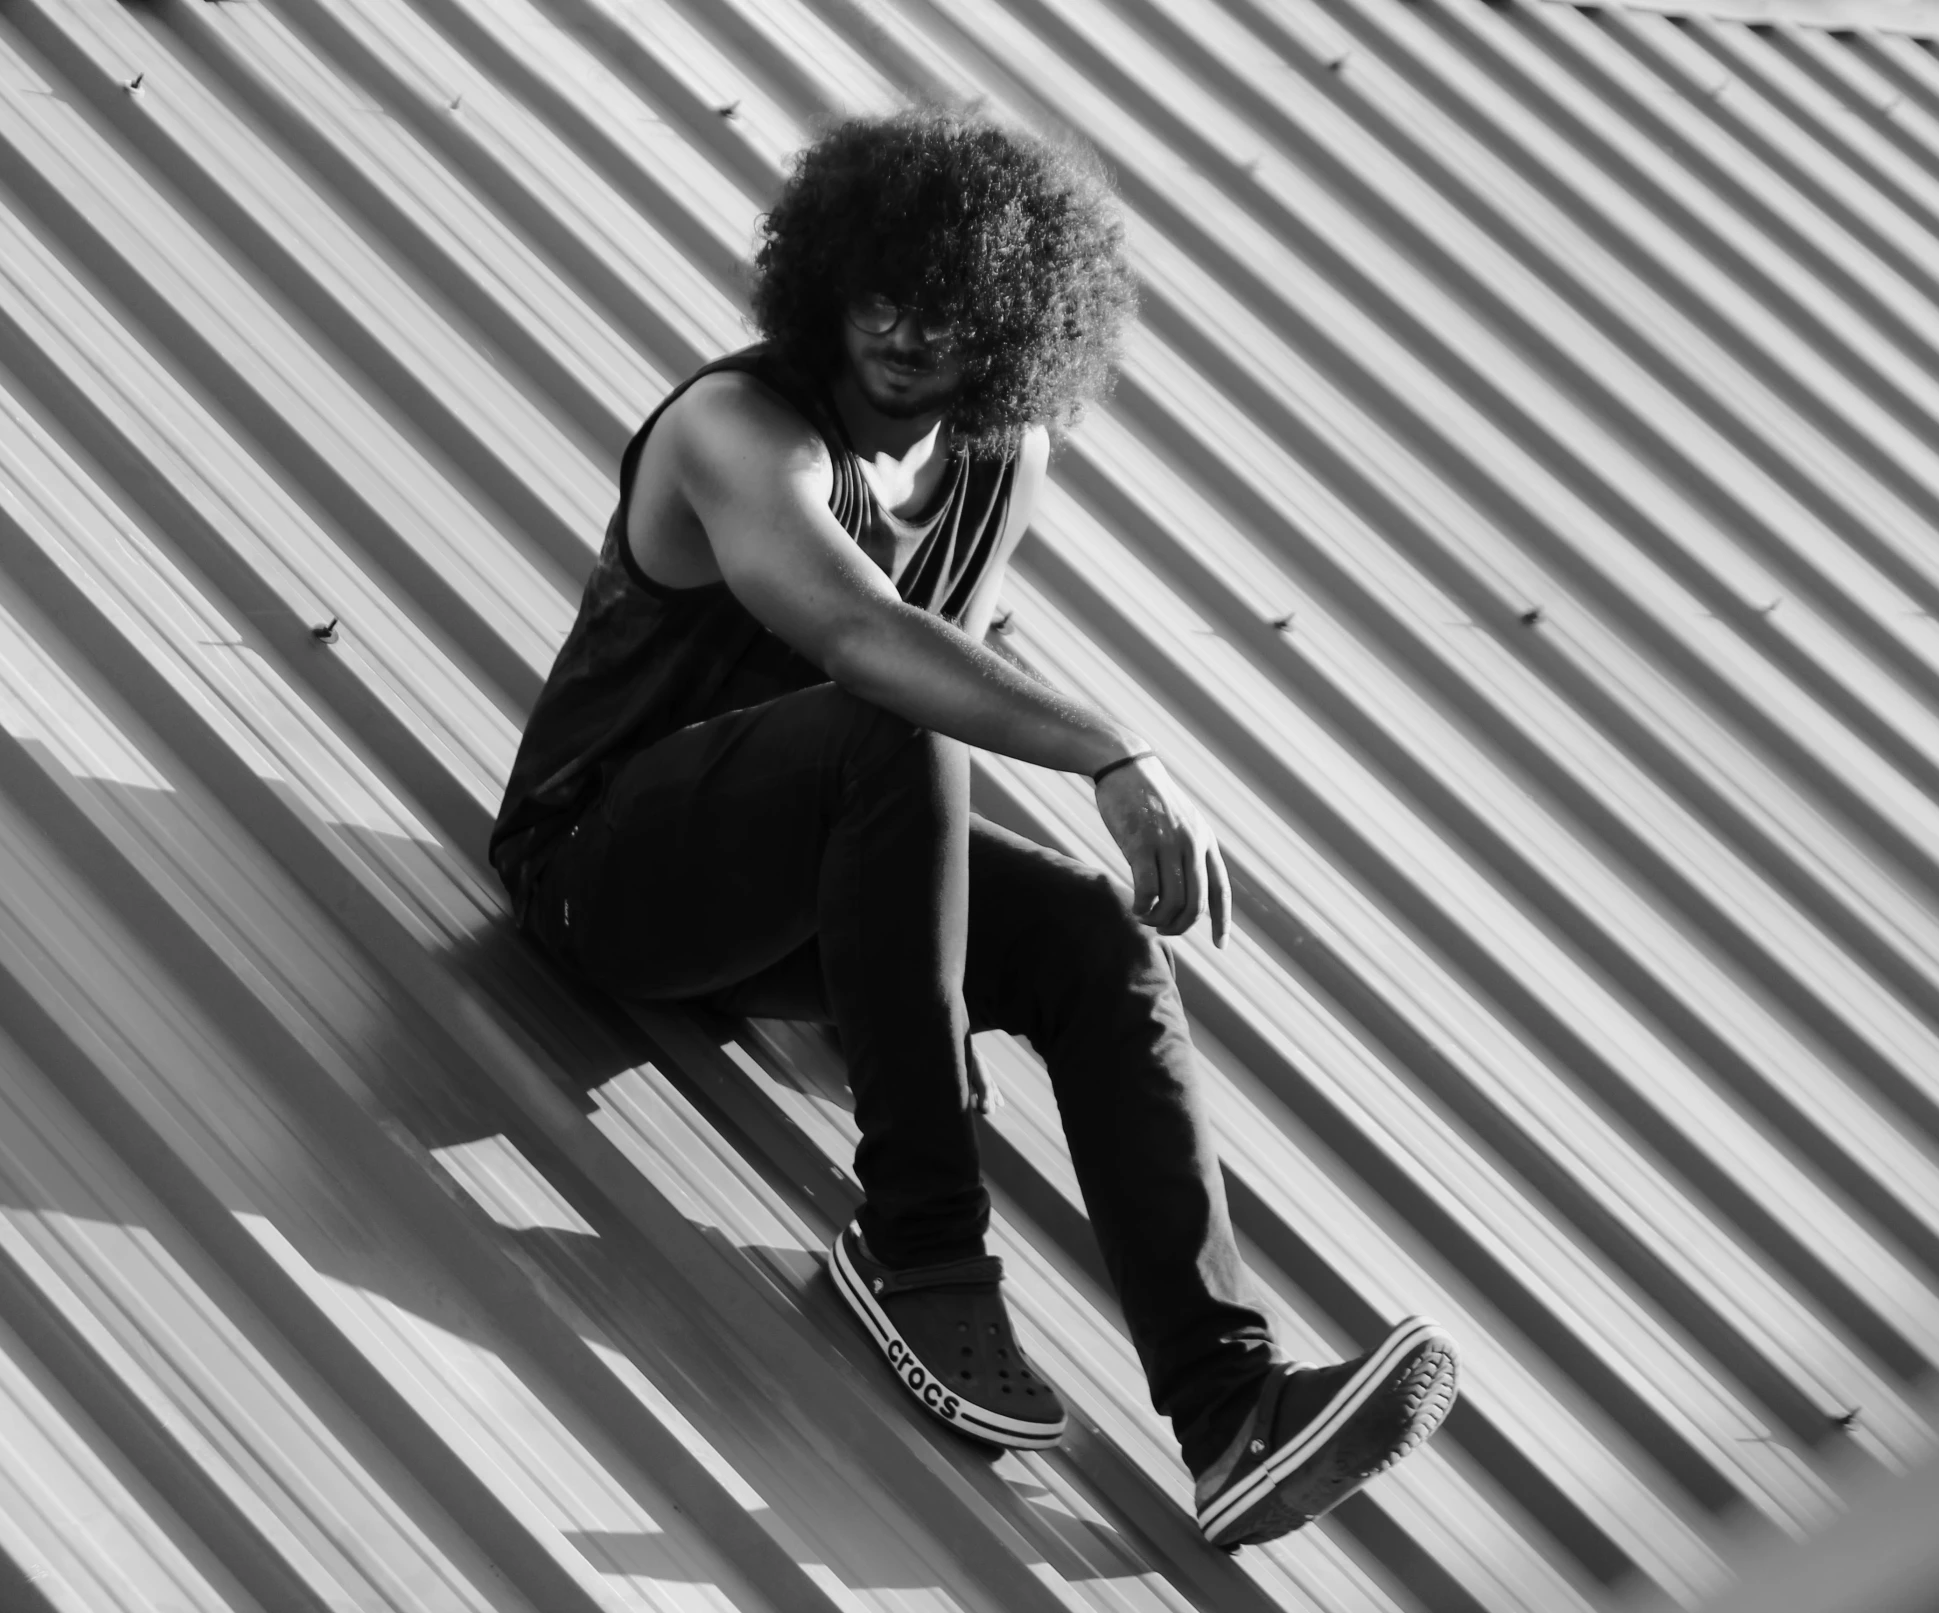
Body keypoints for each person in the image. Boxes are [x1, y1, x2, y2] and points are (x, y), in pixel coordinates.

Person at [489, 108, 1456, 1549]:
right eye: (876, 289)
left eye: (947, 310)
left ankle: (1230, 1409)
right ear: (826, 276)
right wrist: (1109, 748)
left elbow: (932, 663)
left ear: (1013, 323)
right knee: (896, 704)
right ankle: (922, 1244)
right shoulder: (737, 429)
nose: (900, 328)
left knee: (1085, 931)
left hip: (794, 895)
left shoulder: (1008, 461)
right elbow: (861, 639)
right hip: (606, 875)